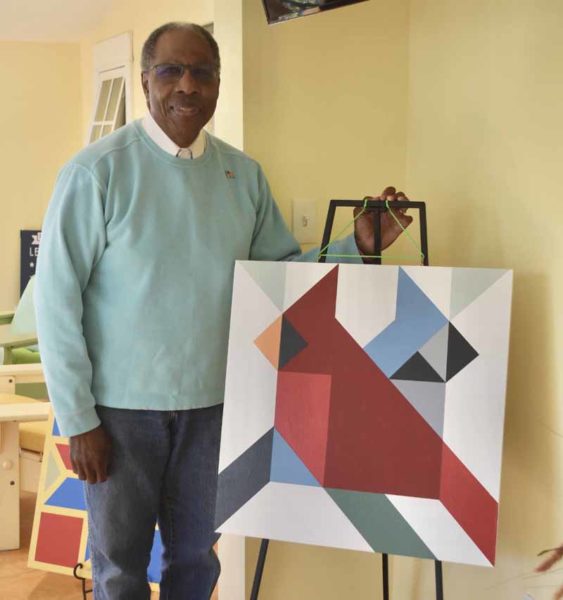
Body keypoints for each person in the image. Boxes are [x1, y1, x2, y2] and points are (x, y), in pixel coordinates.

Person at [35, 22, 412, 600]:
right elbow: (56, 301)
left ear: (217, 84)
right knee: (119, 568)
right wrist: (79, 419)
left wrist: (355, 247)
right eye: (170, 71)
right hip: (118, 416)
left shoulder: (244, 177)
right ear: (145, 82)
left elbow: (281, 280)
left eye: (202, 73)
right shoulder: (97, 173)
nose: (187, 85)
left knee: (197, 561)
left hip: (216, 409)